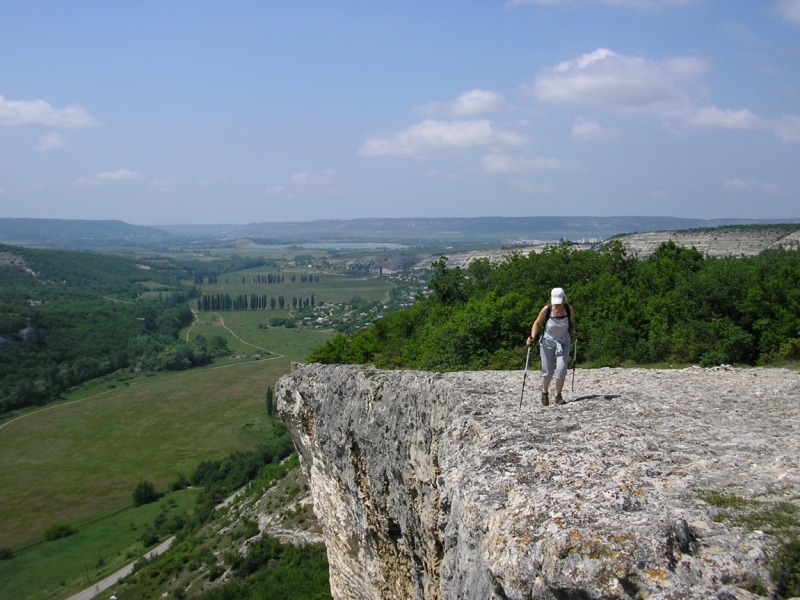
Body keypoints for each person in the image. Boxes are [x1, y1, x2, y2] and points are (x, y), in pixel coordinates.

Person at [526, 287, 579, 406]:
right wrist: (532, 337)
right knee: (548, 371)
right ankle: (544, 392)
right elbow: (537, 323)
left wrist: (575, 331)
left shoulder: (568, 309)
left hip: (564, 342)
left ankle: (558, 395)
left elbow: (571, 324)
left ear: (564, 299)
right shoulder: (547, 309)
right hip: (547, 343)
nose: (557, 304)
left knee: (562, 368)